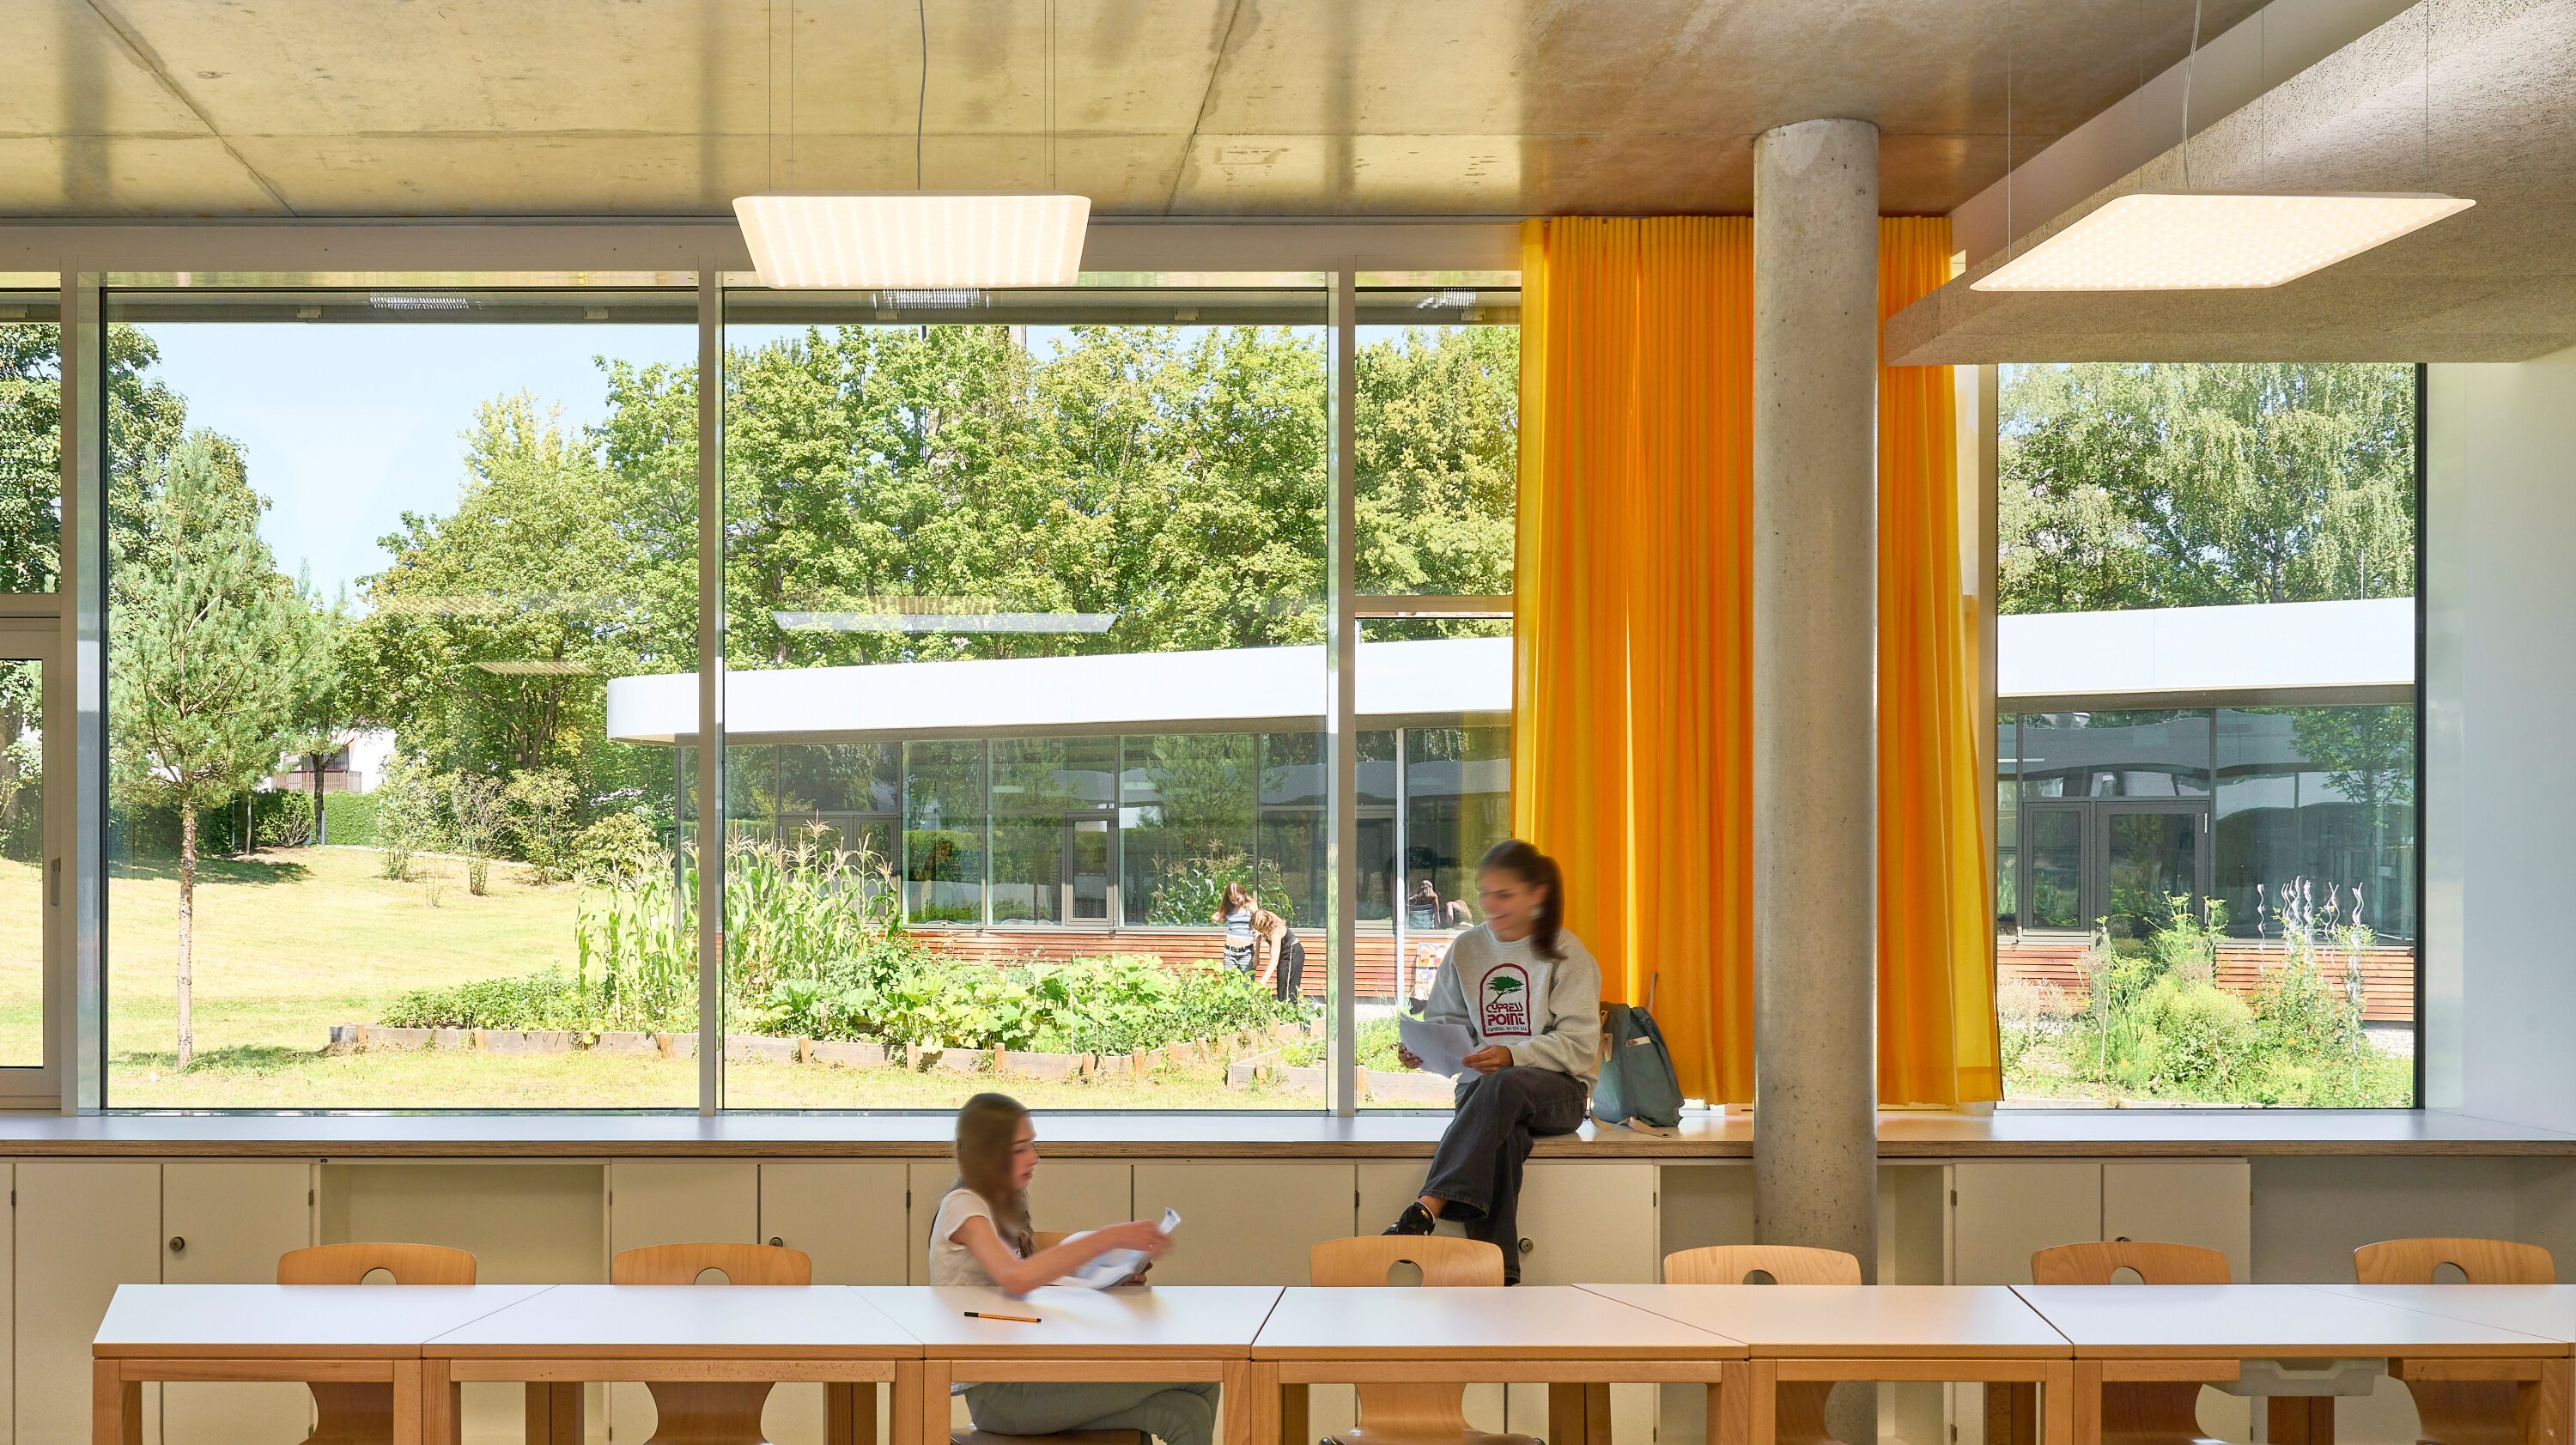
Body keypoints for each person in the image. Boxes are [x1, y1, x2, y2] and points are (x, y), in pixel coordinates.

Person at [930, 1093, 1218, 1445]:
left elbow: (1024, 1287)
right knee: (1199, 1376)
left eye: (1032, 1145)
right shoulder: (963, 1206)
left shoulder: (1003, 1209)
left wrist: (1111, 1281)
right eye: (1021, 1148)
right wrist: (1108, 1238)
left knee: (1184, 1412)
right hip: (1001, 1393)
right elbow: (1016, 1279)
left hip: (1028, 1375)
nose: (1034, 1157)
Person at [1382, 840, 1599, 1284]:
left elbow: (1580, 1046)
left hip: (1558, 1095)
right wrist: (1420, 1050)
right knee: (1505, 1140)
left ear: (1535, 894)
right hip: (1485, 1101)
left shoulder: (1565, 952)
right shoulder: (1466, 949)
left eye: (1505, 895)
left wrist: (1512, 1055)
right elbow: (1446, 1025)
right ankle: (1500, 1280)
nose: (1490, 905)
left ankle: (1429, 1206)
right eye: (1485, 894)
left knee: (1505, 1083)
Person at [1215, 881, 1261, 974]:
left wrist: (1256, 954)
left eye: (1238, 899)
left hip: (1246, 953)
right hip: (1229, 953)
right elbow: (1218, 918)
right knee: (1229, 985)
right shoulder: (1228, 907)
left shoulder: (1251, 905)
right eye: (1232, 900)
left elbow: (1258, 930)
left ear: (1243, 894)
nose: (1235, 902)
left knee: (1247, 985)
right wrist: (1217, 918)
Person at [1406, 878, 1473, 932]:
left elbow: (1409, 912)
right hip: (1428, 926)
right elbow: (1436, 913)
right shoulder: (1434, 897)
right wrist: (1437, 928)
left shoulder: (1414, 899)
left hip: (1414, 926)